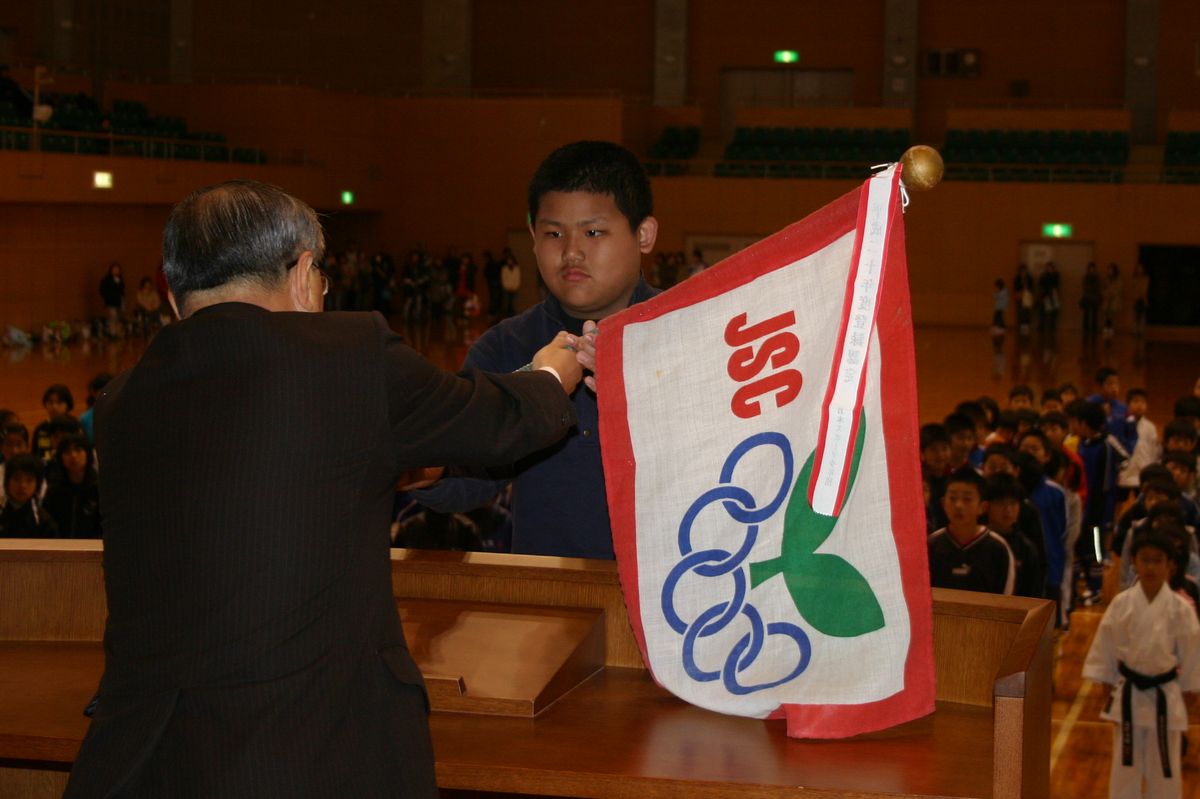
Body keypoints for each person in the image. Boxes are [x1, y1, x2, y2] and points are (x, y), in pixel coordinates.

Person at [64, 179, 590, 799]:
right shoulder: (347, 355)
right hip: (307, 752)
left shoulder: (122, 401)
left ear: (177, 295)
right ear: (304, 272)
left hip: (142, 758)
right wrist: (552, 375)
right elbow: (493, 422)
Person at [413, 141, 659, 559]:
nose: (571, 252)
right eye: (553, 233)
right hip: (548, 597)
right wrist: (421, 462)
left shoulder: (691, 336)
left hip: (676, 603)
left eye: (593, 231)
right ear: (532, 236)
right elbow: (464, 478)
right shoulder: (505, 348)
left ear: (644, 234)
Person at [1083, 529, 1200, 799]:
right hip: (1129, 696)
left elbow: (1192, 657)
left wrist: (1187, 695)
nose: (1150, 567)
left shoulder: (1180, 609)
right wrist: (1107, 691)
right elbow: (1107, 651)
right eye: (1144, 560)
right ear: (1133, 561)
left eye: (1157, 560)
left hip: (1165, 695)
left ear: (1169, 566)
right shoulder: (1122, 605)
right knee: (1125, 769)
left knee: (1165, 771)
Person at [927, 466, 1015, 595]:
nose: (958, 505)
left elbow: (1006, 597)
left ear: (982, 507)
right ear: (943, 503)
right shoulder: (931, 544)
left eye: (967, 499)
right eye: (952, 498)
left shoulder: (998, 547)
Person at [983, 473, 1045, 599]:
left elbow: (1033, 593)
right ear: (986, 506)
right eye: (1001, 503)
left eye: (1013, 503)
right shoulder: (979, 541)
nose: (1008, 510)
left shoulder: (1026, 548)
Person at [40, 433, 101, 538]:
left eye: (78, 450)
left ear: (88, 454)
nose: (73, 455)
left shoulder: (98, 489)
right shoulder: (54, 491)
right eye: (67, 452)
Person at [0, 453, 57, 537]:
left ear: (37, 485)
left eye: (29, 480)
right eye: (17, 478)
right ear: (7, 481)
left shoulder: (43, 522)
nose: (22, 485)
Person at [32, 384, 74, 461]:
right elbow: (35, 455)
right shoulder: (40, 429)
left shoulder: (75, 426)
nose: (54, 407)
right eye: (50, 402)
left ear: (68, 404)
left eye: (59, 402)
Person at [99, 261, 126, 338]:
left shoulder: (120, 280)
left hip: (119, 302)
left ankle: (118, 333)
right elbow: (102, 290)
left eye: (117, 269)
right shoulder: (107, 280)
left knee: (118, 318)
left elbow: (122, 291)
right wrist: (107, 297)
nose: (116, 271)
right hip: (111, 302)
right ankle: (112, 333)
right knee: (112, 317)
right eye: (114, 269)